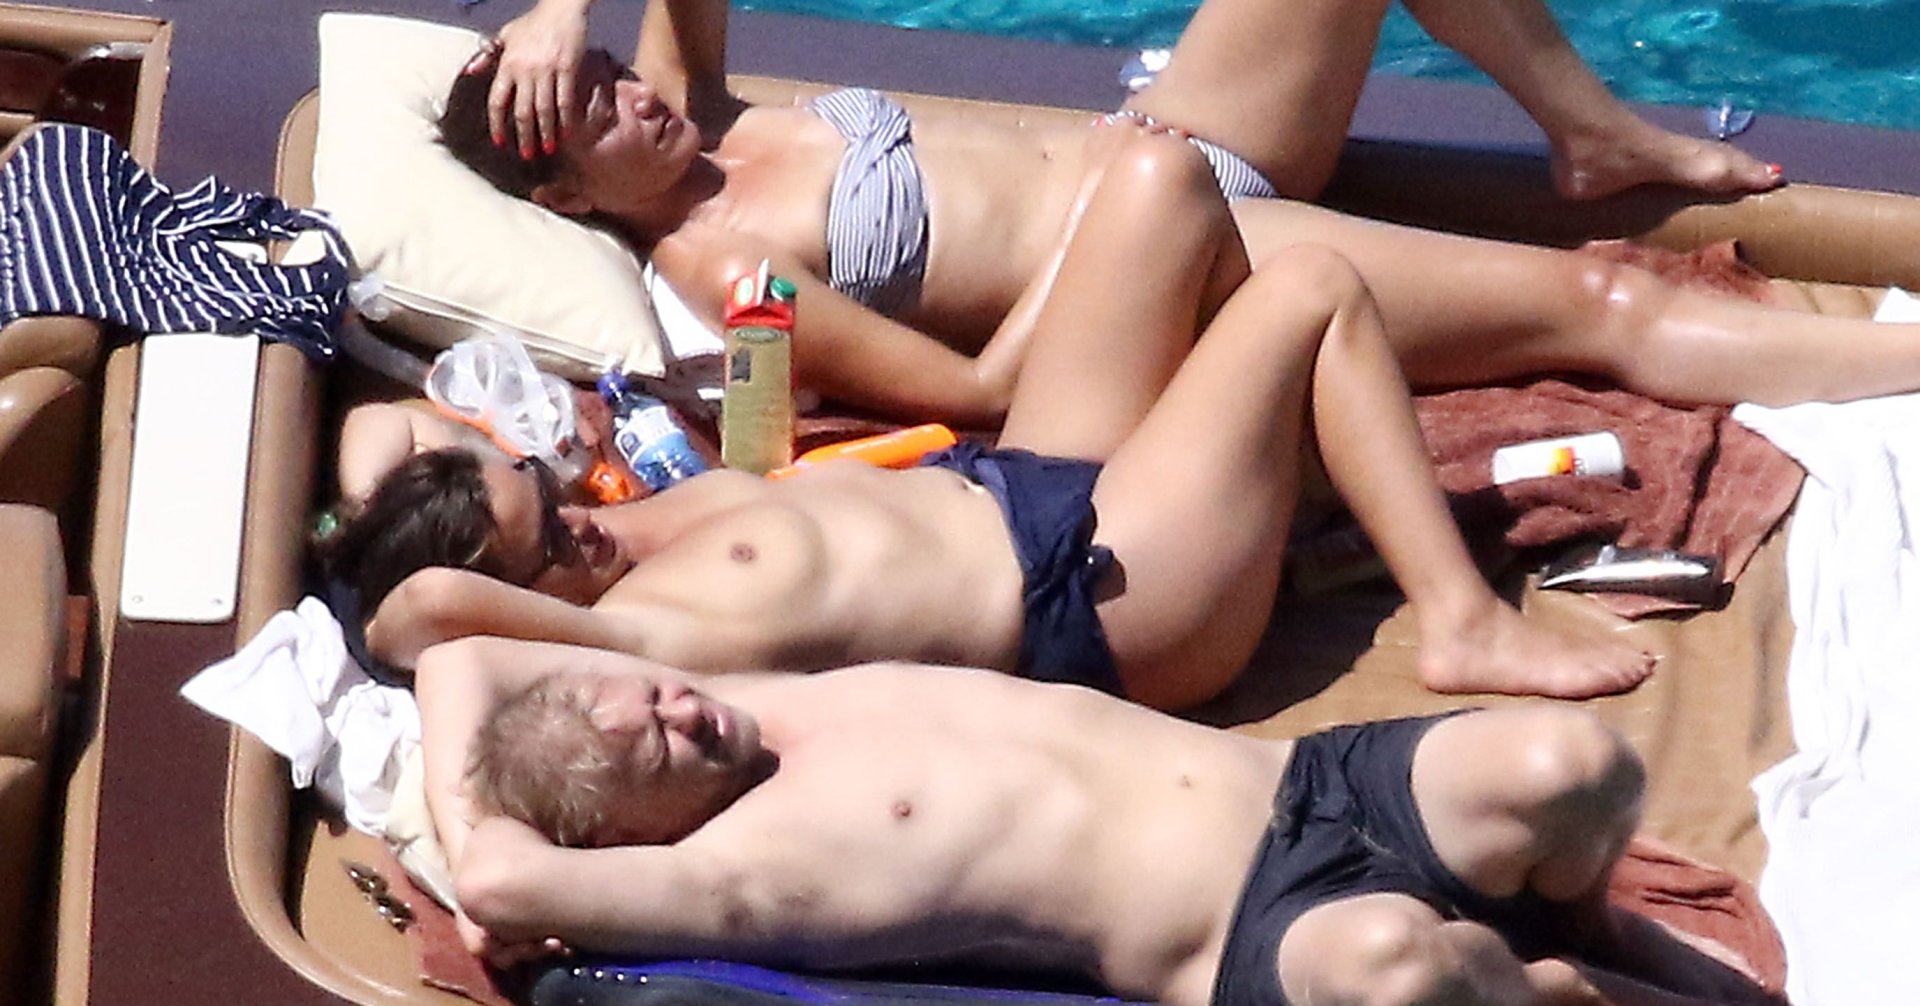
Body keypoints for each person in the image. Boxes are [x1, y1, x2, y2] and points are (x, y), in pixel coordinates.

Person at [326, 135, 1657, 711]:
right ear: (509, 602)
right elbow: (407, 616)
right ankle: (1462, 624)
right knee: (1311, 290)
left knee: (1159, 180)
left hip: (1016, 476)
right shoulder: (629, 632)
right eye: (550, 547)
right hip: (1105, 596)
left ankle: (1281, 465)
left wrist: (392, 509)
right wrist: (405, 572)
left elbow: (393, 426)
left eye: (553, 502)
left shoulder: (620, 528)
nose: (582, 528)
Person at [416, 635, 1788, 1006]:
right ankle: (1552, 987)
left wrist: (492, 780)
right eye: (657, 747)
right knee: (1395, 976)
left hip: (1314, 782)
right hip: (1252, 935)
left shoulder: (761, 708)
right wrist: (491, 873)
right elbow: (496, 880)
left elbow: (458, 655)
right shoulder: (728, 875)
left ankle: (1583, 918)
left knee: (1575, 762)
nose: (679, 707)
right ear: (636, 837)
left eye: (650, 692)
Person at [435, 0, 1784, 428]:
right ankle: (1882, 365)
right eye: (595, 113)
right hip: (1178, 252)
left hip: (1183, 138)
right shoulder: (727, 274)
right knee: (1608, 303)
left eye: (607, 71)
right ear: (566, 197)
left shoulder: (692, 106)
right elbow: (972, 392)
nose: (632, 97)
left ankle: (1593, 136)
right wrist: (1116, 238)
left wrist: (561, 12)